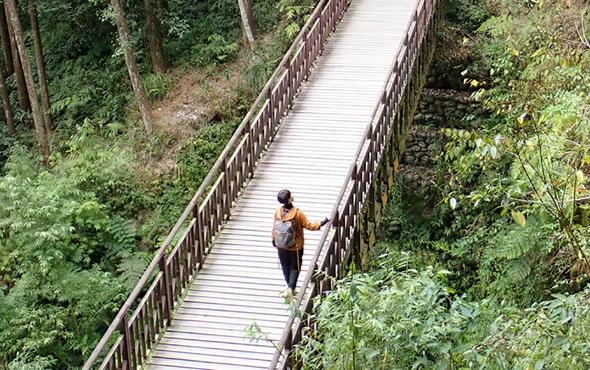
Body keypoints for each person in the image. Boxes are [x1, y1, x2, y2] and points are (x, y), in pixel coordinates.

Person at [272, 189, 330, 299]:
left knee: (285, 266)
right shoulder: (298, 214)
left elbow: (274, 228)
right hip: (295, 246)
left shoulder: (278, 212)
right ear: (289, 199)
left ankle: (289, 288)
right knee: (295, 267)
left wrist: (274, 240)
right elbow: (310, 226)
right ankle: (290, 289)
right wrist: (324, 221)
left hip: (281, 245)